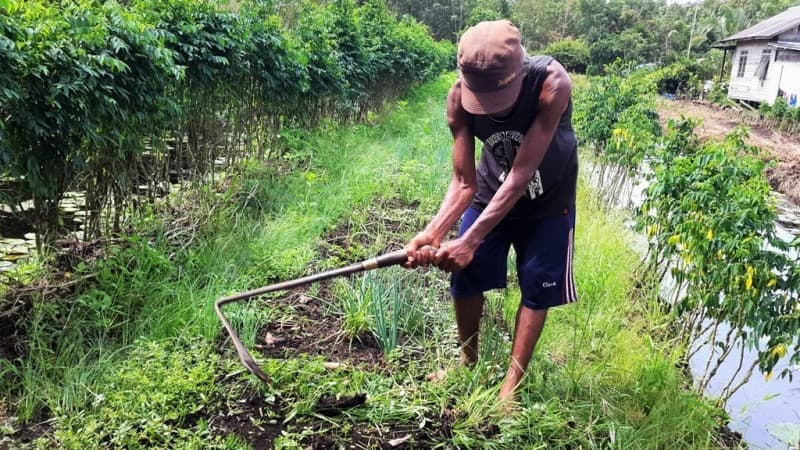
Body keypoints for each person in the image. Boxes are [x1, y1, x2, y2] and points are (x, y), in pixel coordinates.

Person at [404, 19, 578, 404]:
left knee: (537, 289)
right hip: (489, 191)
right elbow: (464, 182)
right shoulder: (457, 99)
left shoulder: (551, 84)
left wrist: (469, 239)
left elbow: (519, 176)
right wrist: (434, 231)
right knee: (465, 276)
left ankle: (510, 389)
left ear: (518, 70)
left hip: (548, 202)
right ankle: (469, 363)